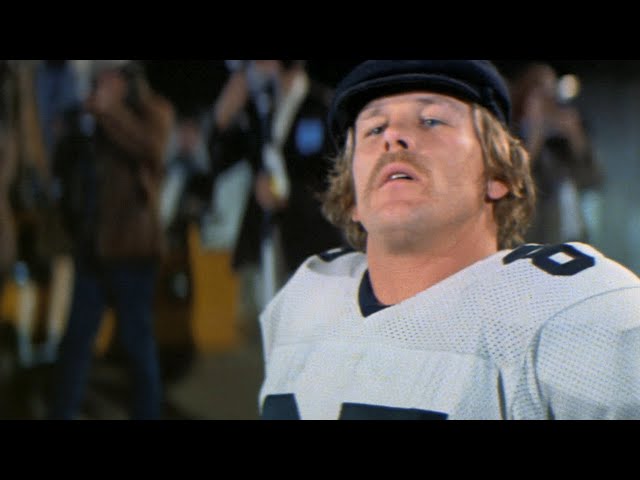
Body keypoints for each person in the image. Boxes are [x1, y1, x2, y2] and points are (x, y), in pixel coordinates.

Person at [258, 60, 640, 420]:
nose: (392, 136)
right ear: (352, 198)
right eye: (374, 129)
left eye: (430, 120)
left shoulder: (569, 309)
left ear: (497, 172)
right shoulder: (304, 297)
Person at [47, 60, 174, 420]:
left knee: (137, 343)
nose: (100, 82)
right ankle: (63, 411)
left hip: (133, 249)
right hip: (93, 248)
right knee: (76, 341)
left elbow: (149, 147)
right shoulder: (88, 116)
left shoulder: (154, 111)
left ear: (127, 79)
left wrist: (109, 113)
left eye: (109, 75)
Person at [207, 60, 345, 339]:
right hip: (268, 242)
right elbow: (219, 161)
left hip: (312, 244)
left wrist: (287, 194)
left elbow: (334, 180)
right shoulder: (259, 109)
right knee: (272, 335)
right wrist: (222, 117)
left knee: (311, 334)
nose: (253, 69)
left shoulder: (323, 106)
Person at [510, 62, 603, 245]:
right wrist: (535, 135)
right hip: (532, 235)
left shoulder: (559, 142)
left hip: (570, 232)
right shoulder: (510, 134)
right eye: (542, 94)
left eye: (552, 94)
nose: (549, 103)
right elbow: (515, 181)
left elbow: (593, 180)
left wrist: (576, 138)